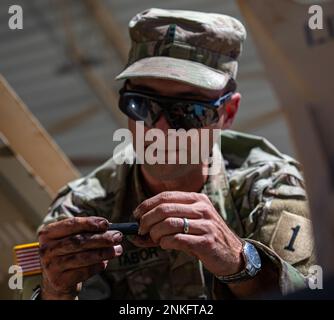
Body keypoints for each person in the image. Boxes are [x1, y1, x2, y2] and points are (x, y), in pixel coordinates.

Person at [26, 8, 315, 300]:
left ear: (228, 113)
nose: (161, 128)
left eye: (189, 111)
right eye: (141, 105)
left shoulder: (272, 190)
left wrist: (240, 263)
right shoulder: (81, 210)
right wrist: (55, 293)